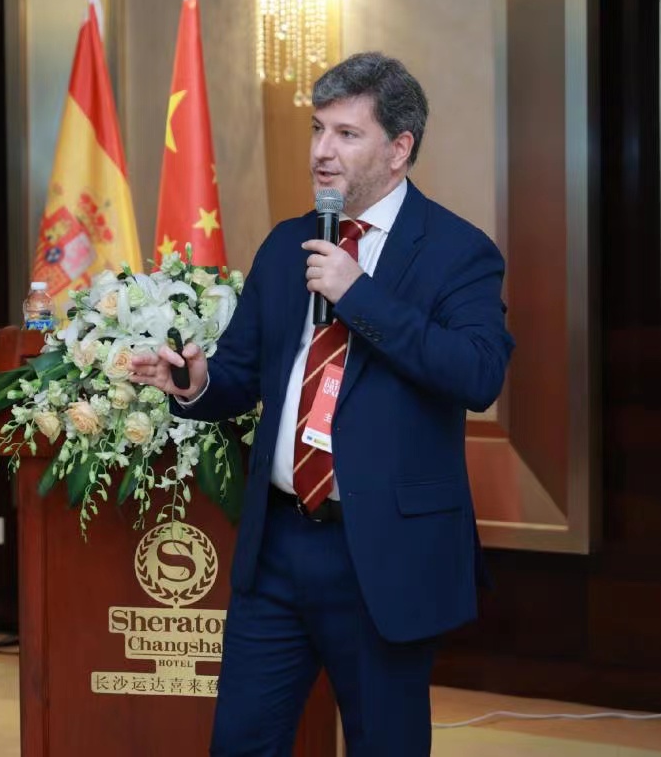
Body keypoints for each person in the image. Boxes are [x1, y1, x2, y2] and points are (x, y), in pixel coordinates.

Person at [128, 52, 514, 756]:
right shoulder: (288, 243)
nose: (320, 151)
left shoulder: (458, 252)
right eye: (316, 129)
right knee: (241, 743)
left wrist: (357, 294)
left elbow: (477, 373)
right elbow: (242, 372)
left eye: (346, 133)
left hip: (381, 553)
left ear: (398, 149)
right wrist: (193, 382)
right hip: (278, 545)